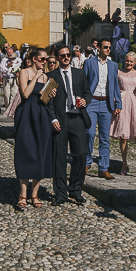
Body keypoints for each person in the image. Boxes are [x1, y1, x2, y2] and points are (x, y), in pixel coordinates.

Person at [47, 44, 91, 205]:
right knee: (59, 156)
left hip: (77, 117)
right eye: (63, 55)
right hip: (60, 119)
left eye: (68, 55)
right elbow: (47, 101)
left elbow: (87, 92)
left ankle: (75, 189)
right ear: (57, 58)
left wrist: (86, 100)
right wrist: (53, 119)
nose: (66, 57)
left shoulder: (79, 74)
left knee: (80, 154)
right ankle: (60, 192)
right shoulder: (51, 76)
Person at [13, 48, 53, 210]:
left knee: (40, 151)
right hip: (26, 113)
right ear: (34, 59)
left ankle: (34, 194)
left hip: (41, 115)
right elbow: (25, 94)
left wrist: (50, 93)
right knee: (25, 149)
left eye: (46, 59)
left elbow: (45, 100)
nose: (44, 62)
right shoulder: (24, 72)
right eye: (42, 59)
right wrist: (35, 77)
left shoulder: (46, 77)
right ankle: (23, 194)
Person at [82, 37, 121, 179]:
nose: (108, 49)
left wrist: (118, 104)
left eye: (109, 47)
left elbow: (115, 85)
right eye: (105, 47)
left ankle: (103, 168)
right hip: (91, 102)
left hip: (106, 103)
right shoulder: (89, 63)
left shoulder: (113, 65)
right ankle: (86, 162)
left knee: (105, 137)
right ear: (98, 48)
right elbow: (84, 82)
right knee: (90, 133)